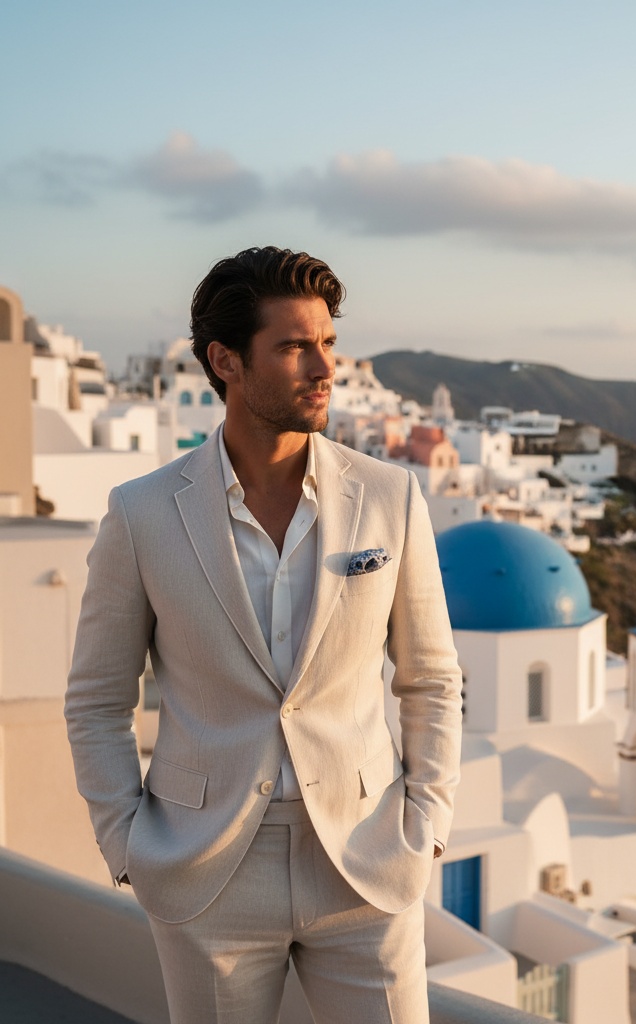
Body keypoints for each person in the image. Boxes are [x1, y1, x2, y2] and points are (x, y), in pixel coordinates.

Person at [65, 246, 463, 1024]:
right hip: (207, 868)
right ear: (227, 362)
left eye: (328, 343)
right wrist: (130, 849)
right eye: (293, 346)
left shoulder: (389, 496)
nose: (325, 367)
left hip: (368, 861)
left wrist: (430, 826)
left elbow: (432, 679)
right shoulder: (142, 514)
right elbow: (96, 700)